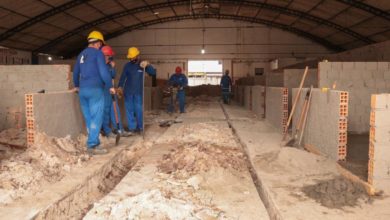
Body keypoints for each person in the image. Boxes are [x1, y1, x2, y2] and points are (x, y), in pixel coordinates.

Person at [73, 30, 115, 155]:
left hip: (83, 91)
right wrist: (109, 86)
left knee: (89, 118)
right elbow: (103, 72)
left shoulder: (81, 55)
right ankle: (92, 145)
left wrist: (77, 85)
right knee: (96, 118)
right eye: (101, 44)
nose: (100, 47)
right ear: (98, 43)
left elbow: (76, 73)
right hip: (95, 90)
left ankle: (94, 142)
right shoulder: (98, 54)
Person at [117, 47, 156, 133]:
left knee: (138, 110)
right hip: (128, 92)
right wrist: (120, 87)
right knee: (129, 110)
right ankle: (132, 128)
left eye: (133, 57)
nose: (131, 59)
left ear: (137, 56)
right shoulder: (127, 66)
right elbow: (123, 77)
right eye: (130, 57)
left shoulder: (142, 65)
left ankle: (140, 127)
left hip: (138, 92)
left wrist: (148, 65)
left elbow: (153, 73)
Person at [100, 45, 130, 137]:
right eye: (109, 56)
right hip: (103, 92)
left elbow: (113, 76)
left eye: (110, 56)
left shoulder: (109, 65)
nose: (110, 58)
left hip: (111, 91)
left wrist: (112, 67)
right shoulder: (99, 65)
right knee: (105, 112)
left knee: (115, 110)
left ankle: (120, 129)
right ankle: (108, 132)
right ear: (104, 56)